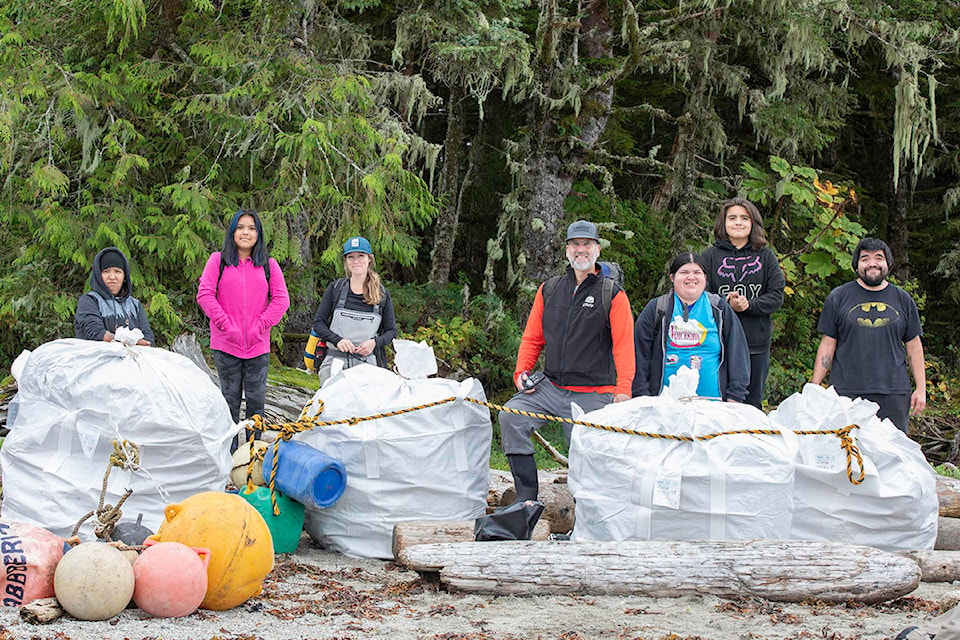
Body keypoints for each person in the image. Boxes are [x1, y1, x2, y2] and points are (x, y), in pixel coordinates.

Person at [498, 220, 635, 502]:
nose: (580, 249)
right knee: (510, 417)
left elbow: (624, 347)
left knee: (585, 449)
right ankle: (526, 500)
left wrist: (623, 391)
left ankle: (587, 511)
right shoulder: (549, 289)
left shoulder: (613, 294)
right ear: (567, 250)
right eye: (575, 244)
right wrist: (521, 373)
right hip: (550, 387)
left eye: (586, 244)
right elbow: (532, 338)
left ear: (597, 250)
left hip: (593, 393)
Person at [811, 237, 926, 433]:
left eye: (878, 258)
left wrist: (921, 388)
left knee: (894, 455)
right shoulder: (838, 297)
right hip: (846, 391)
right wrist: (814, 387)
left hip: (894, 391)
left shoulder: (903, 299)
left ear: (888, 264)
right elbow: (828, 344)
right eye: (865, 258)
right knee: (848, 453)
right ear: (856, 266)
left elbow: (914, 347)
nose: (872, 263)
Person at [197, 210, 290, 428]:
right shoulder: (217, 261)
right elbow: (205, 294)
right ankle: (228, 453)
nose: (245, 233)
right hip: (226, 344)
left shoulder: (269, 265)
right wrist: (226, 324)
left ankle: (253, 453)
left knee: (256, 404)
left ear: (258, 234)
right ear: (232, 232)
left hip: (258, 346)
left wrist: (261, 325)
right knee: (229, 402)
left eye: (251, 228)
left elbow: (281, 299)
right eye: (240, 227)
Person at [700, 197, 785, 408]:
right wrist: (723, 303)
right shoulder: (709, 256)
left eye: (744, 218)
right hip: (718, 343)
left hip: (755, 344)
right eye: (732, 218)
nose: (738, 222)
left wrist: (749, 305)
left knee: (750, 405)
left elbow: (776, 296)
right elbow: (699, 295)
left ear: (753, 223)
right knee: (716, 404)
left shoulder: (766, 257)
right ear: (723, 223)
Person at [633, 252, 750, 402]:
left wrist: (735, 396)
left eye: (697, 272)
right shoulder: (657, 308)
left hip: (714, 404)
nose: (691, 277)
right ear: (672, 277)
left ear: (705, 278)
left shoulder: (719, 308)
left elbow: (738, 353)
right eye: (684, 272)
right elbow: (640, 355)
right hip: (664, 403)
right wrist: (642, 397)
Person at [311, 236, 397, 385]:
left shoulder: (382, 293)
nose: (356, 261)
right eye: (351, 257)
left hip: (367, 366)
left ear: (369, 259)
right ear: (346, 261)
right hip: (335, 362)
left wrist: (374, 343)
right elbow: (318, 323)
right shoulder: (335, 289)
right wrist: (338, 341)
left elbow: (391, 331)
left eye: (361, 256)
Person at [75, 247, 154, 346]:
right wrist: (130, 342)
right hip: (97, 359)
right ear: (99, 275)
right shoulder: (90, 300)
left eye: (117, 271)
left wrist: (141, 343)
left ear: (124, 276)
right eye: (106, 271)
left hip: (133, 359)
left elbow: (148, 339)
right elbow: (97, 333)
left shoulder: (135, 305)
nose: (112, 277)